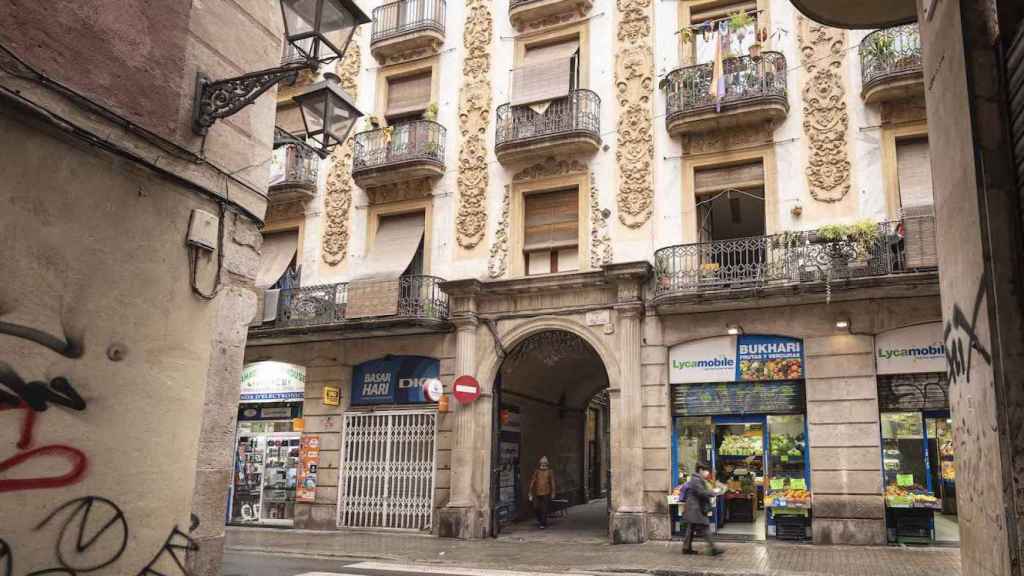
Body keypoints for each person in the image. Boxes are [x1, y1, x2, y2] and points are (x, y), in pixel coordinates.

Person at [681, 463, 723, 556]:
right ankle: (713, 548)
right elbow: (701, 492)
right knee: (705, 527)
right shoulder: (696, 480)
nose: (707, 473)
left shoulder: (698, 479)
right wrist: (714, 492)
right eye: (706, 471)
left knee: (691, 529)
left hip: (694, 508)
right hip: (695, 509)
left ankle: (686, 548)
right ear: (700, 470)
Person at [528, 456, 556, 529]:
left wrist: (553, 493)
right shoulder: (537, 471)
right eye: (542, 464)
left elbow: (552, 482)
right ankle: (541, 519)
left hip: (546, 492)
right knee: (536, 507)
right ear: (540, 464)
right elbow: (532, 481)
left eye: (545, 464)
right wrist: (530, 492)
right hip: (537, 492)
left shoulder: (550, 471)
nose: (543, 465)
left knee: (544, 508)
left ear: (547, 464)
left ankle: (542, 523)